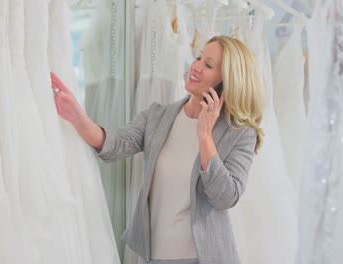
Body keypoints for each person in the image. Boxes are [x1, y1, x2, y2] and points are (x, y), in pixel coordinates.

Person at [50, 35, 264, 264]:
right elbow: (116, 144)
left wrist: (205, 137)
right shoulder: (157, 116)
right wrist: (77, 116)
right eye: (199, 58)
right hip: (154, 256)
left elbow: (225, 197)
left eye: (208, 65)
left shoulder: (240, 133)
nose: (196, 66)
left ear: (226, 82)